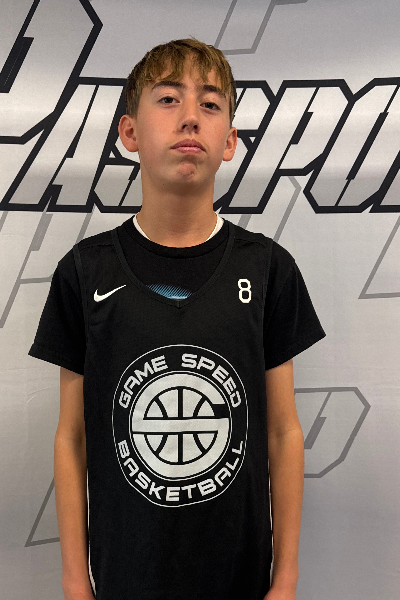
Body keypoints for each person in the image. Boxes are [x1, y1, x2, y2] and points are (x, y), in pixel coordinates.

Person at [28, 38, 326, 600]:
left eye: (210, 104)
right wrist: (73, 580)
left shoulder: (268, 269)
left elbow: (283, 432)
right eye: (168, 99)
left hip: (241, 579)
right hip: (124, 578)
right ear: (129, 132)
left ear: (230, 141)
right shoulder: (84, 271)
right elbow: (72, 438)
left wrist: (286, 577)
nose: (190, 117)